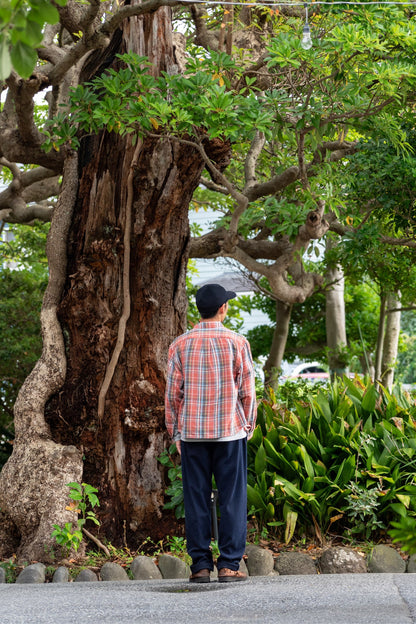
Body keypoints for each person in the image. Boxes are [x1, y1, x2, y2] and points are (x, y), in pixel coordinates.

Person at [165, 283, 257, 583]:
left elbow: (172, 395)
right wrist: (248, 426)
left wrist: (176, 433)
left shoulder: (180, 344)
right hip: (229, 433)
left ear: (199, 309)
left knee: (195, 499)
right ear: (223, 308)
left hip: (192, 434)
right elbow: (247, 391)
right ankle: (229, 565)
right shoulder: (237, 342)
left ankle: (201, 567)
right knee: (232, 498)